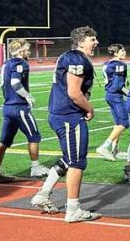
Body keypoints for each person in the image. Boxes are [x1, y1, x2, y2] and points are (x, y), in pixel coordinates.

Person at [31, 26, 101, 222]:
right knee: (77, 162)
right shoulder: (76, 59)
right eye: (92, 39)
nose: (96, 43)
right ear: (80, 41)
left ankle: (43, 194)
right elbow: (73, 92)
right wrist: (89, 108)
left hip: (60, 113)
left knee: (68, 159)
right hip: (69, 115)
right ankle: (73, 209)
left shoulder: (68, 56)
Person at [0, 38, 48, 183]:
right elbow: (15, 83)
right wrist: (27, 96)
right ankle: (35, 167)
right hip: (18, 107)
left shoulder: (6, 64)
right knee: (34, 136)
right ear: (21, 50)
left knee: (3, 141)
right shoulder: (20, 63)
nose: (29, 52)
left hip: (7, 107)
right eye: (27, 49)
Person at [96, 44, 129, 161]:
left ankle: (115, 150)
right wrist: (129, 94)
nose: (125, 52)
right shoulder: (120, 65)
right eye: (122, 50)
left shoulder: (107, 64)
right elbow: (118, 85)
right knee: (124, 123)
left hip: (109, 95)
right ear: (115, 53)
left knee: (118, 123)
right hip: (115, 95)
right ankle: (104, 147)